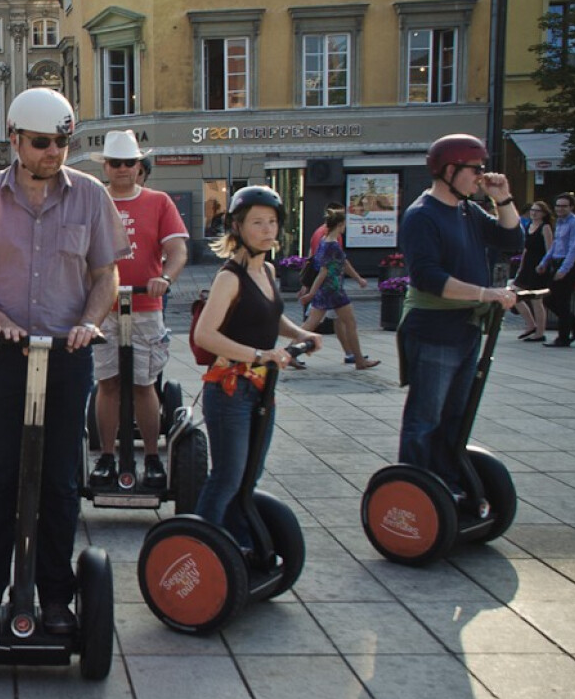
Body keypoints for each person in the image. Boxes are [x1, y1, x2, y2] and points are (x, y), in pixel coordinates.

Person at [0, 87, 128, 637]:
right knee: (0, 477)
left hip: (68, 356)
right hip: (3, 355)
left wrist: (92, 321)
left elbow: (105, 276)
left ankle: (55, 599)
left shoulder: (92, 196)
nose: (54, 153)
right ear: (15, 139)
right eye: (42, 143)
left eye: (63, 142)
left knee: (60, 482)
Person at [191, 186, 322, 552]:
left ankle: (234, 545)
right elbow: (206, 335)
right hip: (229, 389)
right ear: (237, 227)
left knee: (250, 475)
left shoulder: (267, 269)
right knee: (228, 476)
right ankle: (201, 549)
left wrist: (301, 334)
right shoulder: (229, 277)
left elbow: (270, 316)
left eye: (272, 222)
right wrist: (259, 354)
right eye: (257, 223)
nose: (267, 230)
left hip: (261, 388)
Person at [397, 134, 522, 492]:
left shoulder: (467, 210)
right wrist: (486, 293)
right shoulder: (422, 215)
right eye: (475, 169)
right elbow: (428, 277)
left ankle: (447, 484)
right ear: (449, 170)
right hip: (434, 328)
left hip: (465, 328)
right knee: (426, 418)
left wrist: (504, 199)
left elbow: (511, 241)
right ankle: (414, 491)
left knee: (456, 415)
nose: (481, 176)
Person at [89, 129, 188, 490]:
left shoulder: (158, 202)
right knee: (108, 383)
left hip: (145, 304)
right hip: (103, 307)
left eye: (129, 162)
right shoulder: (94, 200)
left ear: (138, 165)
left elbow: (177, 250)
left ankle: (151, 457)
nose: (122, 169)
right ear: (107, 167)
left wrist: (166, 277)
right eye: (115, 163)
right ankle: (105, 457)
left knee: (145, 384)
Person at [297, 210, 380, 369]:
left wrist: (358, 279)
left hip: (327, 290)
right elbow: (324, 271)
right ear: (340, 224)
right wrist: (311, 294)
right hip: (334, 290)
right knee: (350, 323)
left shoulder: (324, 240)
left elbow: (343, 263)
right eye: (344, 224)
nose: (345, 227)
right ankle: (359, 360)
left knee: (311, 323)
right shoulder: (332, 245)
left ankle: (289, 353)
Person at [540, 192, 575, 347]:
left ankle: (563, 337)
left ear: (572, 207)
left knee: (562, 300)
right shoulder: (560, 222)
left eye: (564, 206)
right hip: (557, 260)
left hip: (571, 263)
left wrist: (564, 269)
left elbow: (573, 248)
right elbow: (556, 244)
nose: (560, 209)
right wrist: (544, 261)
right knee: (549, 299)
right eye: (558, 206)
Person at [513, 199, 554, 343]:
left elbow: (550, 250)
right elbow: (526, 249)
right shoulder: (529, 225)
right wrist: (521, 267)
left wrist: (545, 265)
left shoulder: (545, 227)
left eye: (537, 211)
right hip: (527, 266)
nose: (534, 213)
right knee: (514, 294)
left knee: (537, 300)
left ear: (543, 213)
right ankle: (531, 324)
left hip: (539, 266)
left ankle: (540, 332)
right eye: (532, 210)